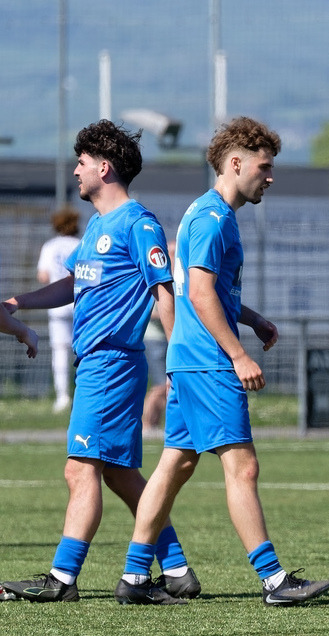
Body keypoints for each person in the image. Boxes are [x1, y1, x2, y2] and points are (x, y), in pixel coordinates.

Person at [115, 116, 329, 606]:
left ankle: (132, 577)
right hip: (209, 362)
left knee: (175, 464)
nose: (270, 177)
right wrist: (237, 354)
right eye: (264, 166)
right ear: (236, 163)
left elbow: (209, 292)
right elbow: (200, 291)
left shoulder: (211, 215)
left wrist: (253, 319)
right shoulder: (213, 219)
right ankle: (275, 580)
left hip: (189, 359)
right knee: (243, 467)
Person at [1, 120, 198, 603]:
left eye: (82, 163)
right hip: (97, 364)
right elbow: (73, 284)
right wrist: (18, 303)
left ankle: (62, 578)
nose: (75, 171)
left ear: (103, 168)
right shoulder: (96, 227)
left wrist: (177, 365)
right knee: (119, 473)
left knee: (80, 468)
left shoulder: (137, 223)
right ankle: (176, 569)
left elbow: (164, 295)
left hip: (112, 363)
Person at [37, 207, 80, 412]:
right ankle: (82, 393)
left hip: (57, 304)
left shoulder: (50, 246)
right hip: (79, 302)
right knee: (83, 350)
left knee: (60, 351)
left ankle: (63, 397)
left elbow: (43, 276)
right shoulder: (80, 243)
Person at [140, 242, 175, 437]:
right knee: (161, 385)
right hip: (155, 339)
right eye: (172, 252)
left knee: (167, 386)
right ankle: (146, 425)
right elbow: (153, 312)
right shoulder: (159, 277)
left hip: (164, 339)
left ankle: (154, 424)